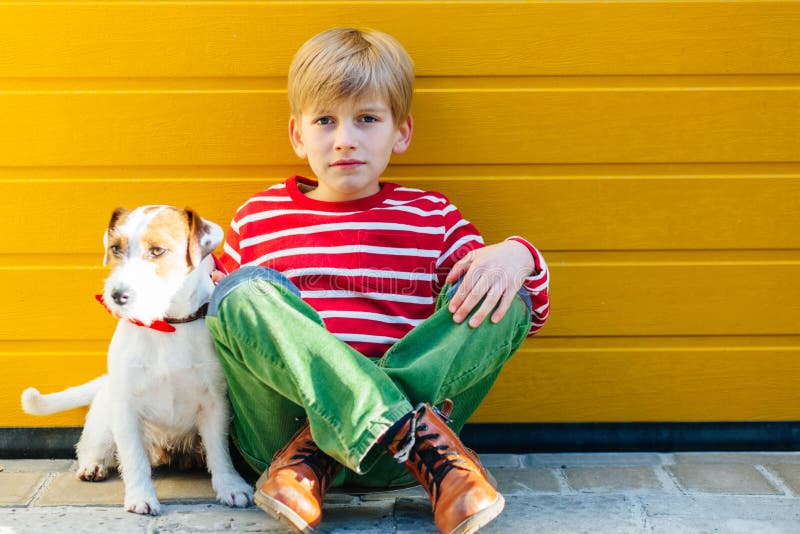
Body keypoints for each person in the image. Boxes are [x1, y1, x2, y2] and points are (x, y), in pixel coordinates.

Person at [205, 27, 550, 534]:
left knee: (501, 294)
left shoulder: (430, 216)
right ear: (299, 136)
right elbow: (227, 333)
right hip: (284, 439)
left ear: (401, 132)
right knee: (238, 294)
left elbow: (526, 314)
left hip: (403, 463)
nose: (345, 138)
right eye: (325, 120)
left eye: (367, 119)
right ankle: (391, 428)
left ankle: (374, 433)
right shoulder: (259, 216)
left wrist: (518, 255)